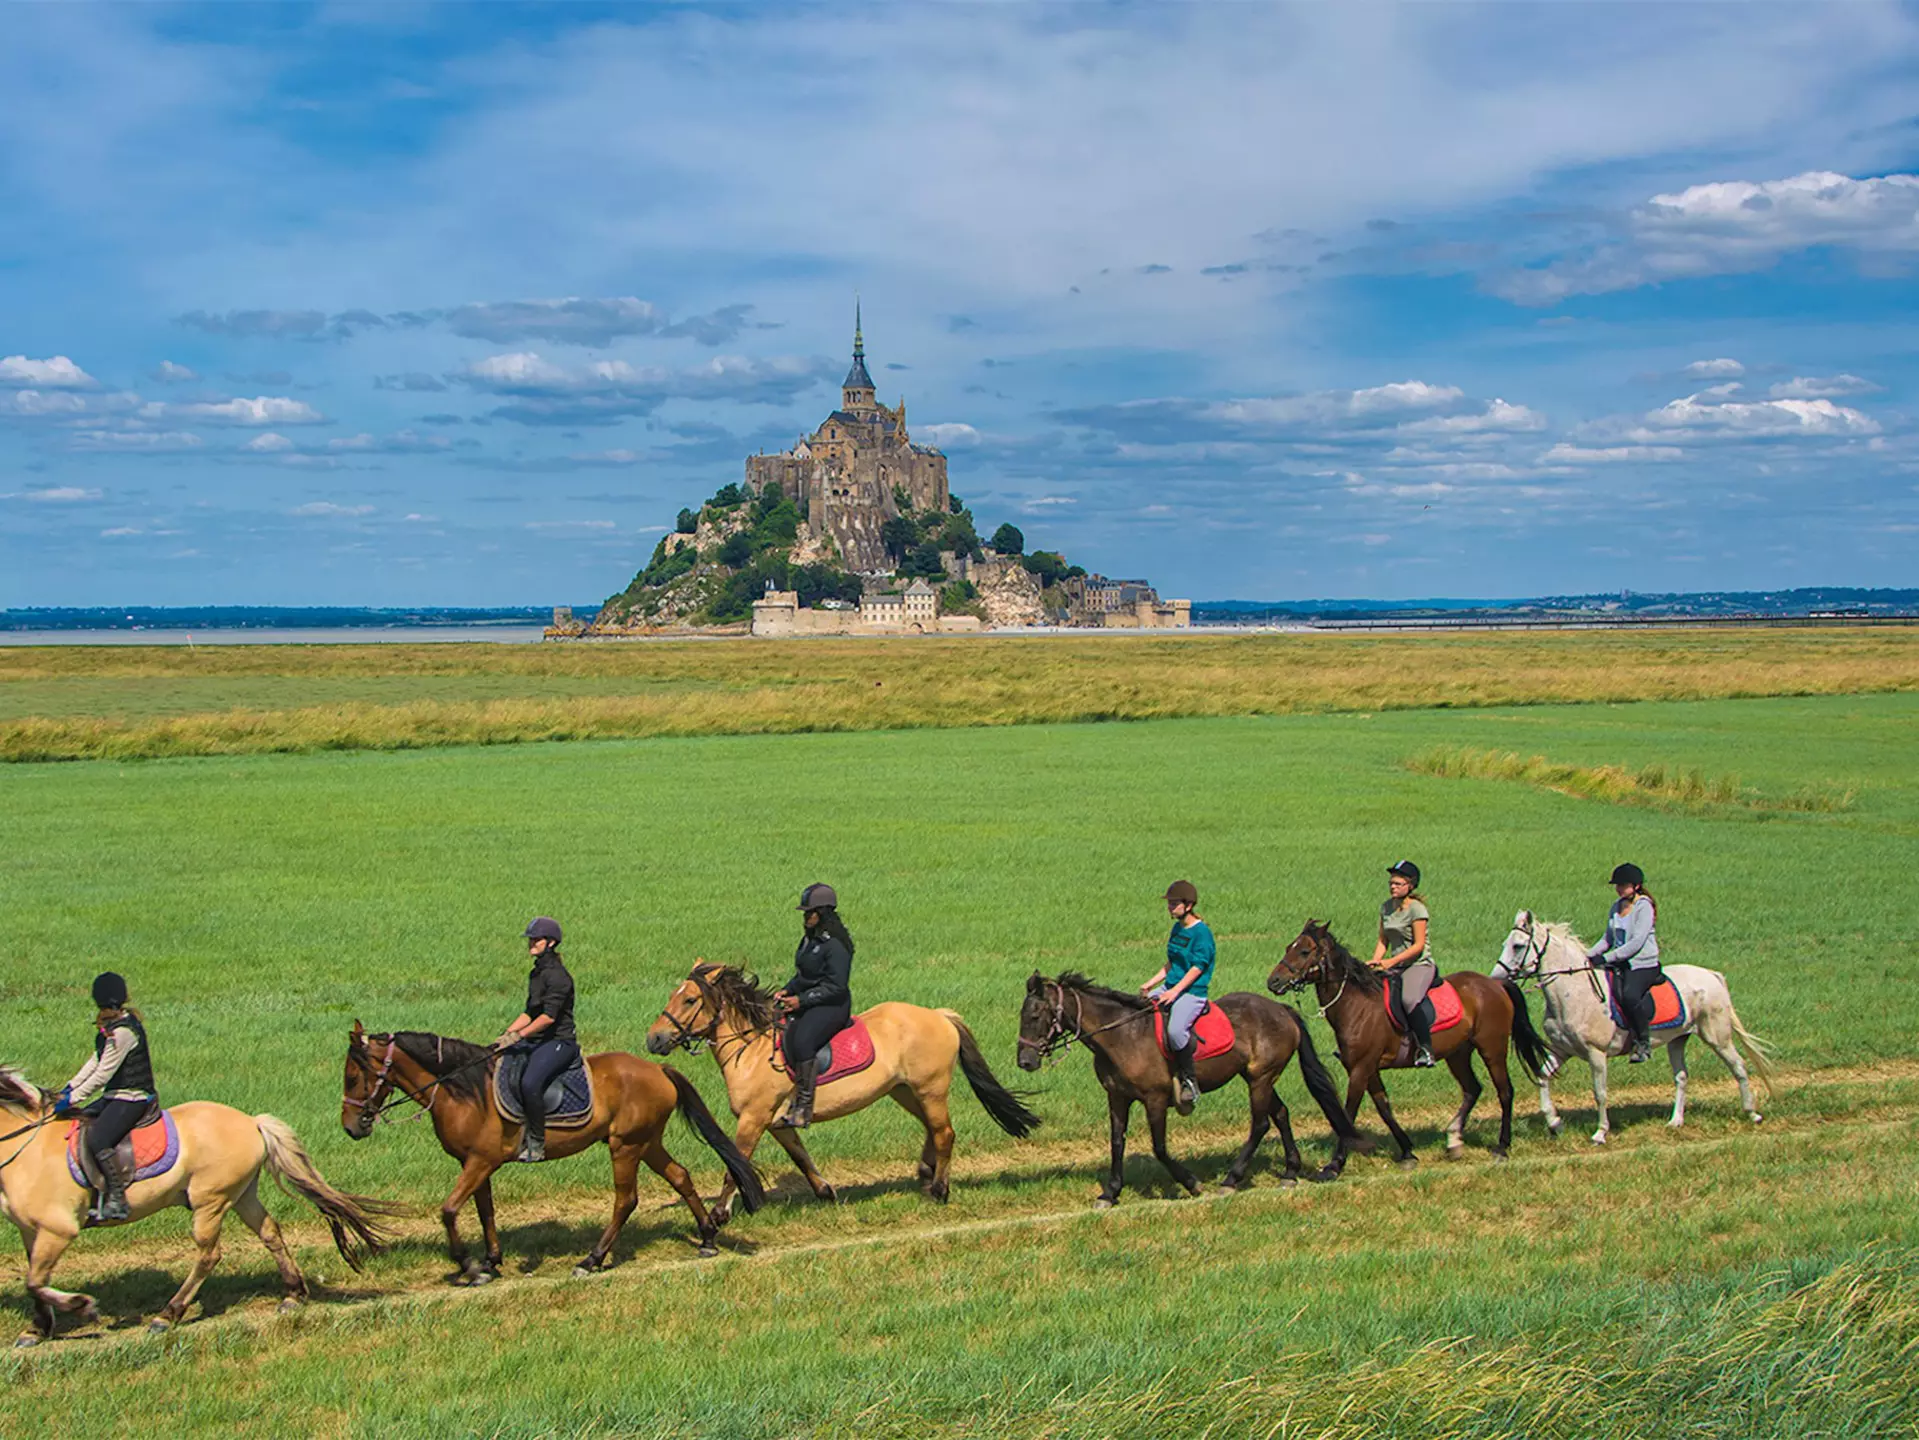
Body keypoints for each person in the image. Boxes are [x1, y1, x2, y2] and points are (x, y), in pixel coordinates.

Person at [50, 972, 157, 1222]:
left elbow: (102, 1074)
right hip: (115, 1096)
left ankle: (117, 1199)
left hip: (133, 1098)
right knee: (80, 1126)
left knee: (99, 1138)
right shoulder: (111, 1026)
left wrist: (73, 1098)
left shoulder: (124, 1032)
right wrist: (69, 1087)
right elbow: (95, 1061)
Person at [494, 917, 579, 1162]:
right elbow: (529, 1013)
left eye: (536, 939)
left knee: (530, 1082)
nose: (531, 943)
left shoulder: (559, 977)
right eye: (530, 939)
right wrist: (506, 1035)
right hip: (537, 1039)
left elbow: (547, 1018)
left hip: (559, 1042)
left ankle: (537, 1141)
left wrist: (519, 1036)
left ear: (551, 943)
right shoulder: (537, 973)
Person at [772, 882, 854, 1130]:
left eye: (811, 912)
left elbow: (836, 986)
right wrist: (788, 989)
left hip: (832, 1005)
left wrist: (801, 1000)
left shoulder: (836, 945)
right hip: (811, 998)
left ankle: (804, 1108)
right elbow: (804, 975)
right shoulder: (809, 940)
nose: (806, 917)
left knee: (804, 1041)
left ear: (824, 913)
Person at [1139, 880, 1214, 1116]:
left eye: (1174, 903)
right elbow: (1172, 962)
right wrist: (1152, 983)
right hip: (1171, 986)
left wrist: (1174, 992)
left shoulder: (1202, 933)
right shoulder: (1177, 929)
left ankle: (1189, 1081)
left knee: (1175, 1031)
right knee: (1140, 1010)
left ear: (1189, 905)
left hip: (1192, 992)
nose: (1170, 907)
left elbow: (1196, 968)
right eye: (1169, 903)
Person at [1586, 863, 1662, 1063]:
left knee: (1629, 995)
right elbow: (1607, 940)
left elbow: (1636, 943)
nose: (1619, 888)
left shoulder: (1644, 907)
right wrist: (1586, 956)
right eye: (1617, 885)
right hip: (1622, 962)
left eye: (1623, 885)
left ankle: (1643, 1043)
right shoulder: (1616, 906)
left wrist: (1606, 958)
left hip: (1643, 964)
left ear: (1636, 886)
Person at [1372, 861, 1437, 1067]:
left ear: (1410, 886)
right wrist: (1376, 961)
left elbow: (1418, 946)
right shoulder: (1386, 908)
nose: (1393, 887)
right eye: (1391, 883)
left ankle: (1425, 1049)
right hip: (1394, 965)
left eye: (1398, 883)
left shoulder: (1417, 909)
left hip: (1418, 965)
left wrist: (1391, 961)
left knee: (1409, 999)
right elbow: (1383, 940)